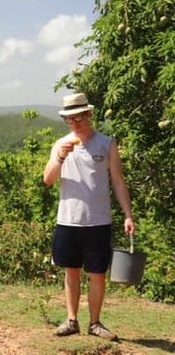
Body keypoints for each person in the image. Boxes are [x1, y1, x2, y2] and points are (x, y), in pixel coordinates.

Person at [43, 92, 135, 341]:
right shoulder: (61, 144)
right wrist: (60, 156)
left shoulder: (106, 144)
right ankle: (71, 321)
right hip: (68, 220)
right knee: (71, 271)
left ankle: (95, 323)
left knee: (97, 274)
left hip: (99, 221)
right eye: (70, 119)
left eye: (79, 117)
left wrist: (128, 215)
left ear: (89, 114)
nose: (75, 123)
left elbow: (117, 181)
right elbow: (48, 179)